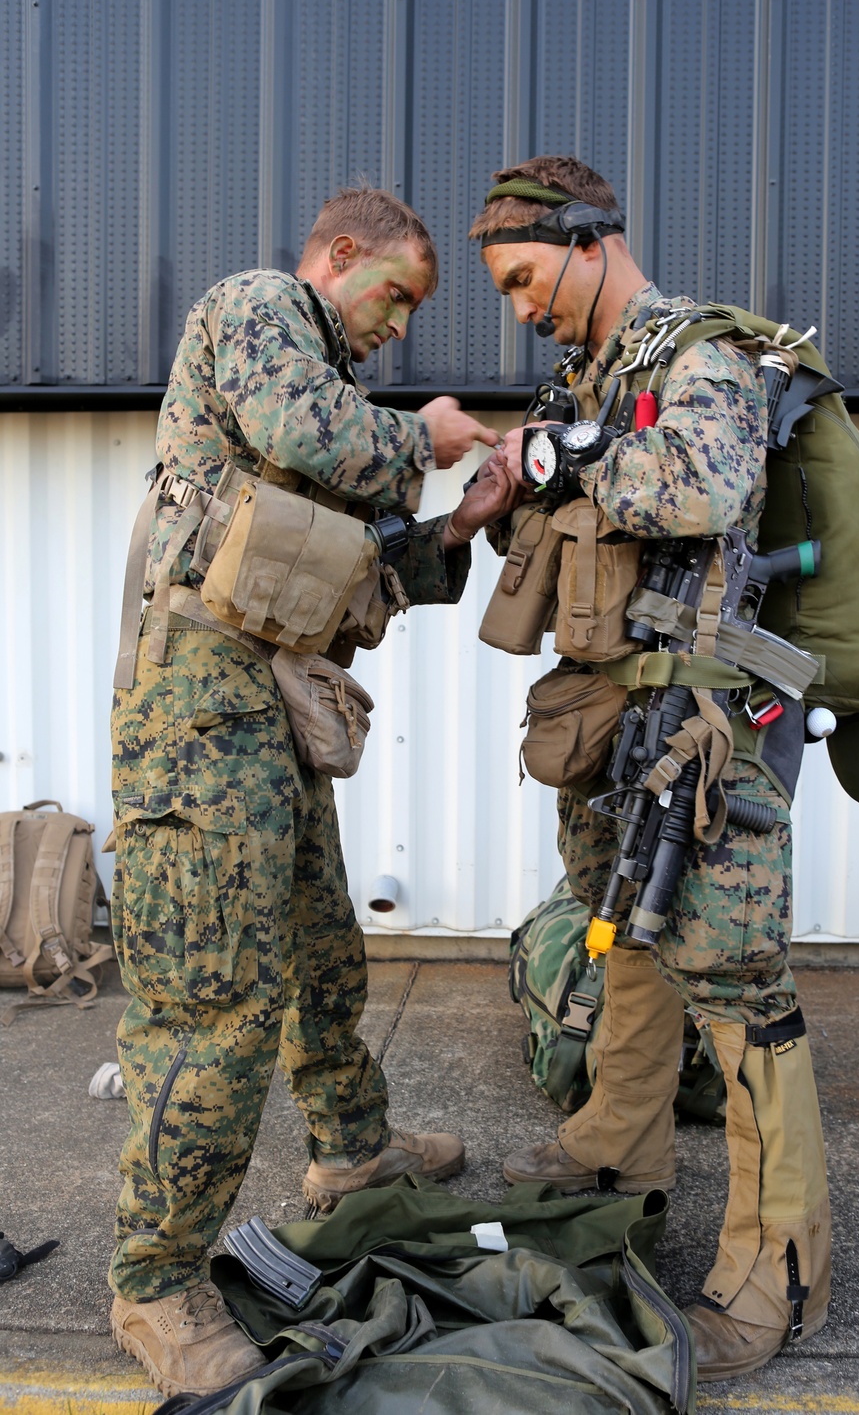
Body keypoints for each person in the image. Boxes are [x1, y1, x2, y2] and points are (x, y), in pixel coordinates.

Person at [108, 185, 516, 1397]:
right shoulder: (259, 311)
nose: (398, 326)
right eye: (397, 295)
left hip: (263, 717)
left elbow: (362, 575)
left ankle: (352, 1154)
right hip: (195, 718)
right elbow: (317, 434)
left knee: (321, 953)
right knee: (213, 1009)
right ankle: (155, 1282)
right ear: (340, 256)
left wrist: (462, 523)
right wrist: (428, 437)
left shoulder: (328, 402)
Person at [470, 156, 831, 1382]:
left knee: (736, 986)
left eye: (525, 277)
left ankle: (775, 1272)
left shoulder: (698, 357)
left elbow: (707, 481)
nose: (519, 304)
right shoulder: (588, 378)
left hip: (705, 727)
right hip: (612, 714)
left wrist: (566, 456)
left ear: (588, 240)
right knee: (625, 928)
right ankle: (616, 1147)